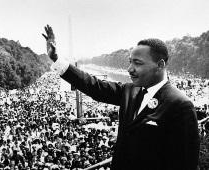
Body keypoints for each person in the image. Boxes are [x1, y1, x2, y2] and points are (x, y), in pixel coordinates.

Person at [42, 25, 200, 170]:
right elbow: (93, 86)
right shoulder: (129, 90)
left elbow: (185, 164)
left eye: (137, 63)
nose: (130, 69)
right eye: (130, 62)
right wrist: (57, 59)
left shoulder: (180, 105)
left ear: (160, 65)